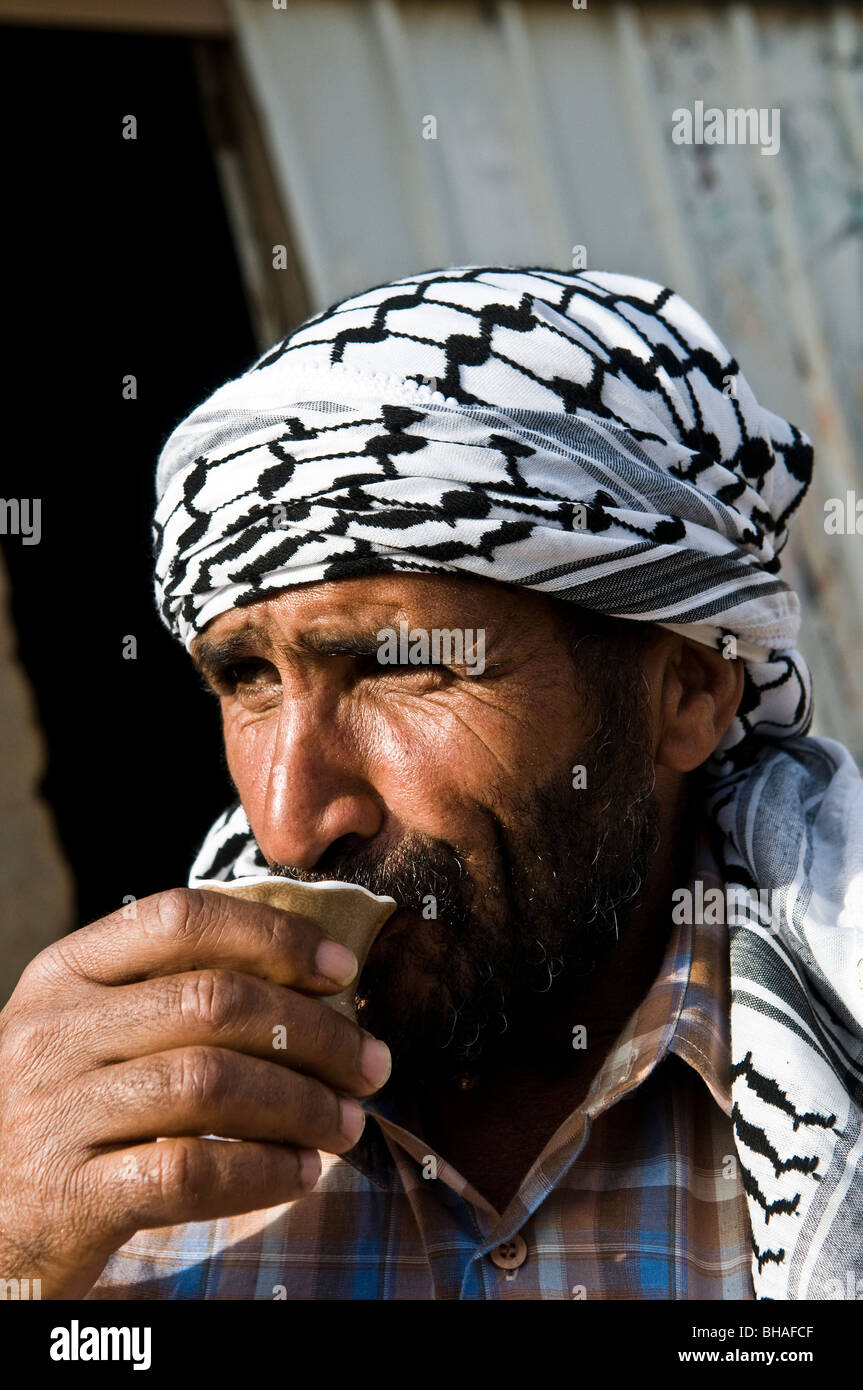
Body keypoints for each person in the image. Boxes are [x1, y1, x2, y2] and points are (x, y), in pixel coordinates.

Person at [1, 267, 860, 1302]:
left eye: (399, 666)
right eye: (246, 679)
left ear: (684, 690)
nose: (290, 819)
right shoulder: (110, 1166)